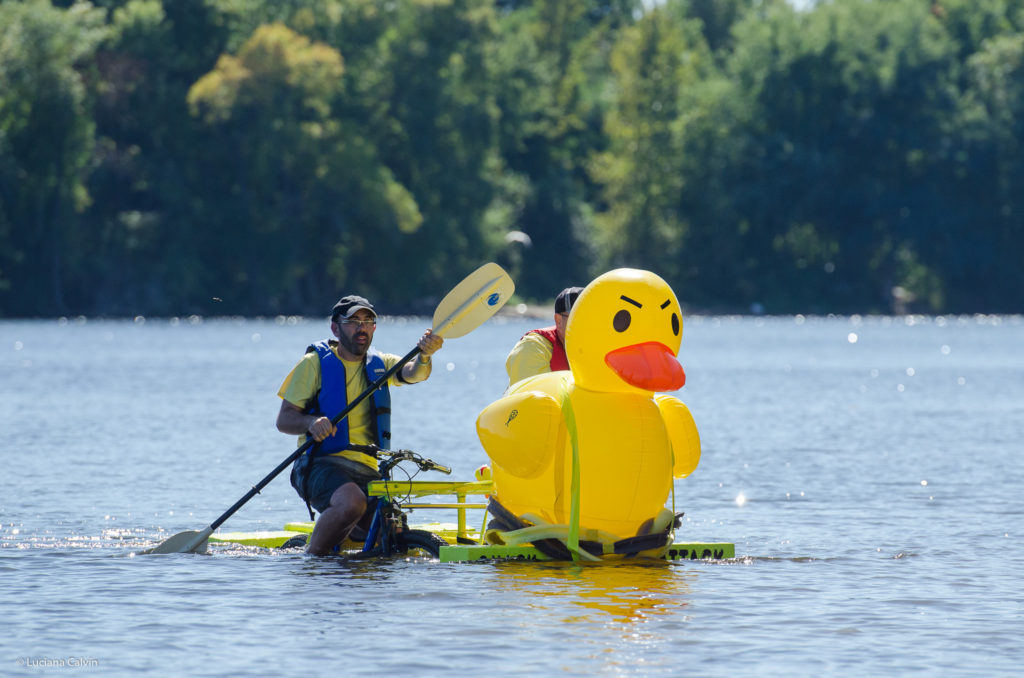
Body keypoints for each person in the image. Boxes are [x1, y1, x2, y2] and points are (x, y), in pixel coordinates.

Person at [276, 295, 443, 555]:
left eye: (368, 321)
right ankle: (311, 560)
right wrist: (311, 422)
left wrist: (425, 356)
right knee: (352, 502)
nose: (361, 327)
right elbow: (284, 420)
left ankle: (353, 534)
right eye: (353, 321)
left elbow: (415, 373)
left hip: (366, 471)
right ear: (335, 327)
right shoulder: (313, 364)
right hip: (318, 464)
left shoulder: (381, 364)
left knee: (393, 529)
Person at [504, 286, 583, 389]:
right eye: (579, 317)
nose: (588, 324)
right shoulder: (532, 348)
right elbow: (534, 400)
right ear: (558, 320)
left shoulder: (602, 348)